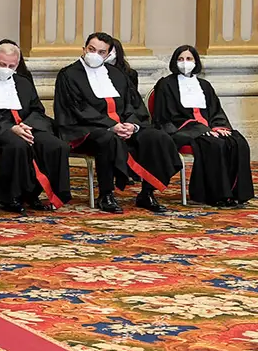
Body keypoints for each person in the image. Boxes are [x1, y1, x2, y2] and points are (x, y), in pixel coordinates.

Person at [54, 32, 181, 214]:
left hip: (122, 127)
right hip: (86, 128)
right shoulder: (69, 75)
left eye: (101, 52)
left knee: (157, 137)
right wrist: (110, 125)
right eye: (92, 49)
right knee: (108, 139)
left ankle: (147, 193)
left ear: (108, 54)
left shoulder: (117, 75)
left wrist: (132, 125)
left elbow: (133, 103)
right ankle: (106, 194)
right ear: (84, 49)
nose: (95, 54)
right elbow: (76, 108)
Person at [0, 42, 71, 213]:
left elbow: (37, 109)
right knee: (17, 145)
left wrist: (28, 125)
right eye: (2, 64)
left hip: (26, 126)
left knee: (56, 145)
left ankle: (34, 194)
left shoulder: (23, 82)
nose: (6, 68)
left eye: (11, 66)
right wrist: (10, 128)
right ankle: (11, 197)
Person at [151, 45, 254, 207]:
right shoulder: (166, 85)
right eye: (181, 59)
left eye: (189, 59)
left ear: (196, 61)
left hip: (210, 128)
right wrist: (200, 130)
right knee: (215, 144)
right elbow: (165, 115)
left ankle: (237, 193)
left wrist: (219, 127)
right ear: (174, 62)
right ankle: (216, 195)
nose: (185, 63)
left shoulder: (205, 85)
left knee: (237, 141)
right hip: (184, 130)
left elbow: (215, 110)